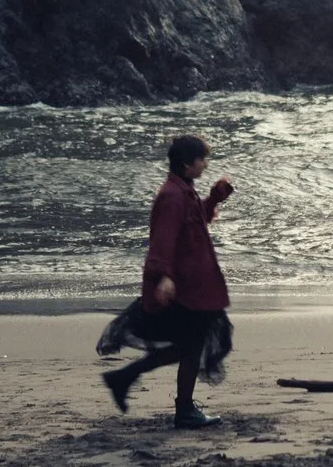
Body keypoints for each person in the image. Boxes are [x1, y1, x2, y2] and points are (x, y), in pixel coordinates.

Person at [99, 133, 235, 429]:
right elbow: (162, 240)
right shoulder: (171, 197)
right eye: (202, 159)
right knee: (191, 345)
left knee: (190, 344)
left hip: (193, 285)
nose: (206, 164)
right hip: (184, 287)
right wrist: (164, 278)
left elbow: (197, 216)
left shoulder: (182, 190)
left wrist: (214, 198)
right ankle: (180, 408)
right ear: (188, 163)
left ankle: (127, 378)